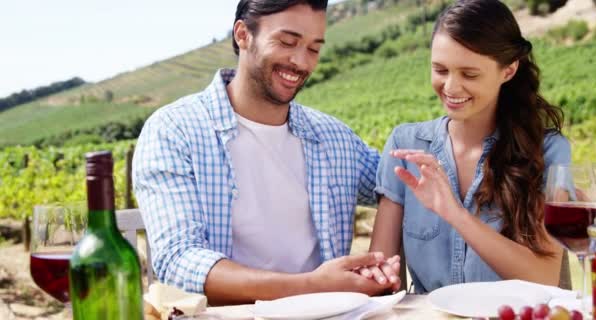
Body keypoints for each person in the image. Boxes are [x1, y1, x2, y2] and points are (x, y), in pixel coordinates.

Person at [132, 0, 400, 305]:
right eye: (287, 42)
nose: (301, 62)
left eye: (314, 49)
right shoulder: (174, 131)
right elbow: (178, 261)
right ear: (243, 35)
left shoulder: (334, 138)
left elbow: (401, 184)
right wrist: (312, 286)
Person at [364, 0, 571, 293]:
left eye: (469, 74)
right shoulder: (405, 144)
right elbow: (382, 275)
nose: (450, 87)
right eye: (440, 70)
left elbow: (544, 275)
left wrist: (455, 214)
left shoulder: (548, 150)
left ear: (508, 71)